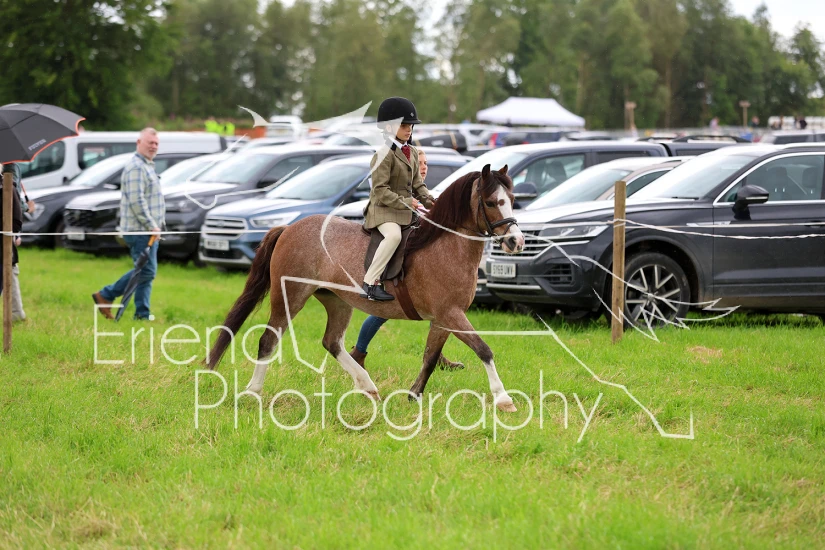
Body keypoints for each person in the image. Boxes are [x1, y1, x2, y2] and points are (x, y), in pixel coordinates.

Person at [350, 146, 464, 371]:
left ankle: (436, 356)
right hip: (394, 242)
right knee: (384, 312)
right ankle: (359, 352)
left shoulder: (422, 190)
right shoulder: (399, 183)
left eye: (425, 164)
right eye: (419, 163)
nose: (423, 167)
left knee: (440, 307)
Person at [361, 97, 434, 301]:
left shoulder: (412, 152)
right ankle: (370, 283)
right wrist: (406, 202)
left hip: (403, 210)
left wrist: (431, 201)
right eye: (404, 125)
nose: (409, 130)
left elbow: (418, 184)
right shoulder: (383, 154)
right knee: (393, 236)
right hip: (382, 210)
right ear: (389, 127)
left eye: (410, 126)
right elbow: (380, 190)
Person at [92, 128, 163, 321]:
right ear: (139, 143)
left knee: (146, 272)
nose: (153, 146)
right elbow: (136, 201)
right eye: (150, 142)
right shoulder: (136, 167)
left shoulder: (147, 165)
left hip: (148, 230)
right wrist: (152, 225)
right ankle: (106, 295)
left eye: (156, 143)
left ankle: (142, 314)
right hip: (140, 230)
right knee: (145, 271)